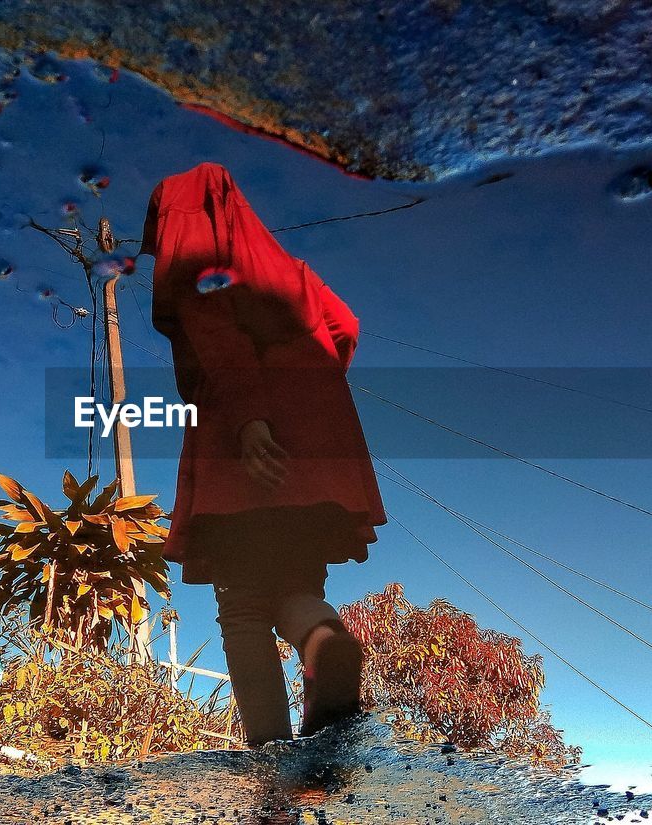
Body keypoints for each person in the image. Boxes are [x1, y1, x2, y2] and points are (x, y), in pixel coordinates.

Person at [139, 162, 386, 746]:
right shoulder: (288, 270)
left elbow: (216, 333)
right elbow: (344, 326)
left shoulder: (197, 246)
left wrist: (253, 417)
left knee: (244, 605)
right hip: (316, 444)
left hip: (239, 432)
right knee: (299, 587)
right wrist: (305, 397)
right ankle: (327, 644)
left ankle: (271, 771)